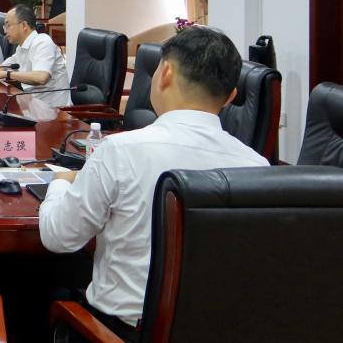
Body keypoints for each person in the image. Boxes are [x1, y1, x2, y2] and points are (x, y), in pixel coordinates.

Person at [39, 29, 268, 340]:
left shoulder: (120, 151)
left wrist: (59, 183)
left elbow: (59, 237)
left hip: (118, 333)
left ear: (166, 73)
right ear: (230, 97)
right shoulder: (257, 167)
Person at [0, 3, 71, 108]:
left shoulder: (42, 42)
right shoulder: (21, 47)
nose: (5, 31)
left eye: (8, 25)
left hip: (53, 110)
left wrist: (7, 74)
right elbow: (2, 68)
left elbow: (41, 77)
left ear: (24, 25)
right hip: (32, 104)